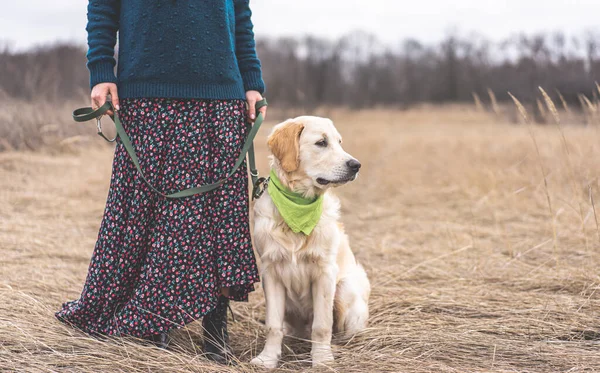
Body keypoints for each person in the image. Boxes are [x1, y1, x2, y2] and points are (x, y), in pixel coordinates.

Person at [55, 0, 267, 365]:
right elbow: (103, 8)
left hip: (221, 94)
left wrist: (251, 81)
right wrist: (101, 69)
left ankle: (215, 329)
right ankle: (153, 323)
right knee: (146, 214)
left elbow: (240, 19)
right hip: (146, 93)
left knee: (217, 215)